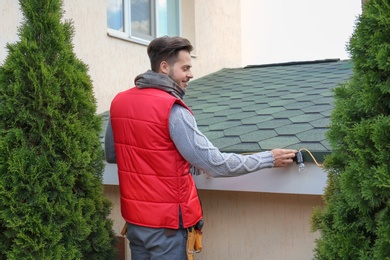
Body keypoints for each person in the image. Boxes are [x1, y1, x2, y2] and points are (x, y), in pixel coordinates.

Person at [105, 35, 297, 260]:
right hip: (166, 228)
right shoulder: (173, 109)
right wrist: (268, 159)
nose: (191, 74)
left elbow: (114, 154)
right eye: (185, 67)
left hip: (136, 224)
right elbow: (215, 164)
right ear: (164, 67)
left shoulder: (119, 102)